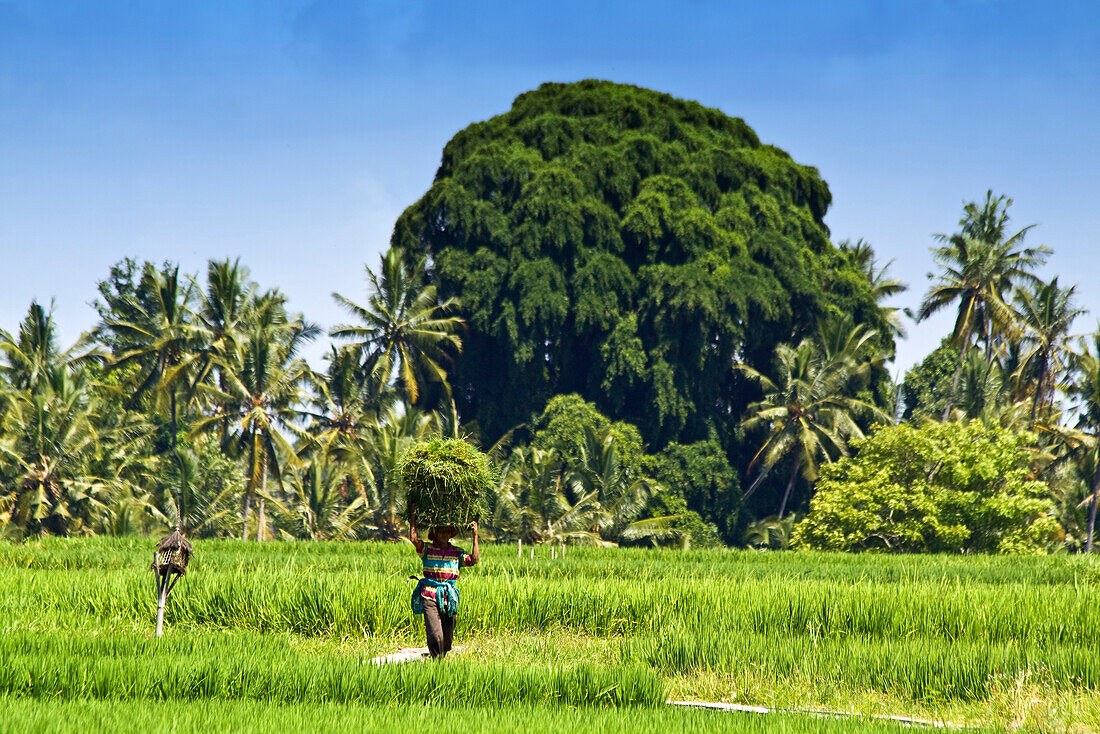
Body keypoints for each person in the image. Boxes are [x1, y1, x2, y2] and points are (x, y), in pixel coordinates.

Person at [408, 509, 479, 659]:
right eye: (441, 531)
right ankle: (436, 662)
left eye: (447, 531)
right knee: (435, 634)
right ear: (435, 533)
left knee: (447, 638)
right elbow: (414, 539)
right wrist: (413, 518)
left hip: (449, 597)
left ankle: (441, 658)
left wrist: (475, 536)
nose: (444, 534)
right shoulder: (427, 549)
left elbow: (474, 560)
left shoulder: (457, 553)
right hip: (429, 594)